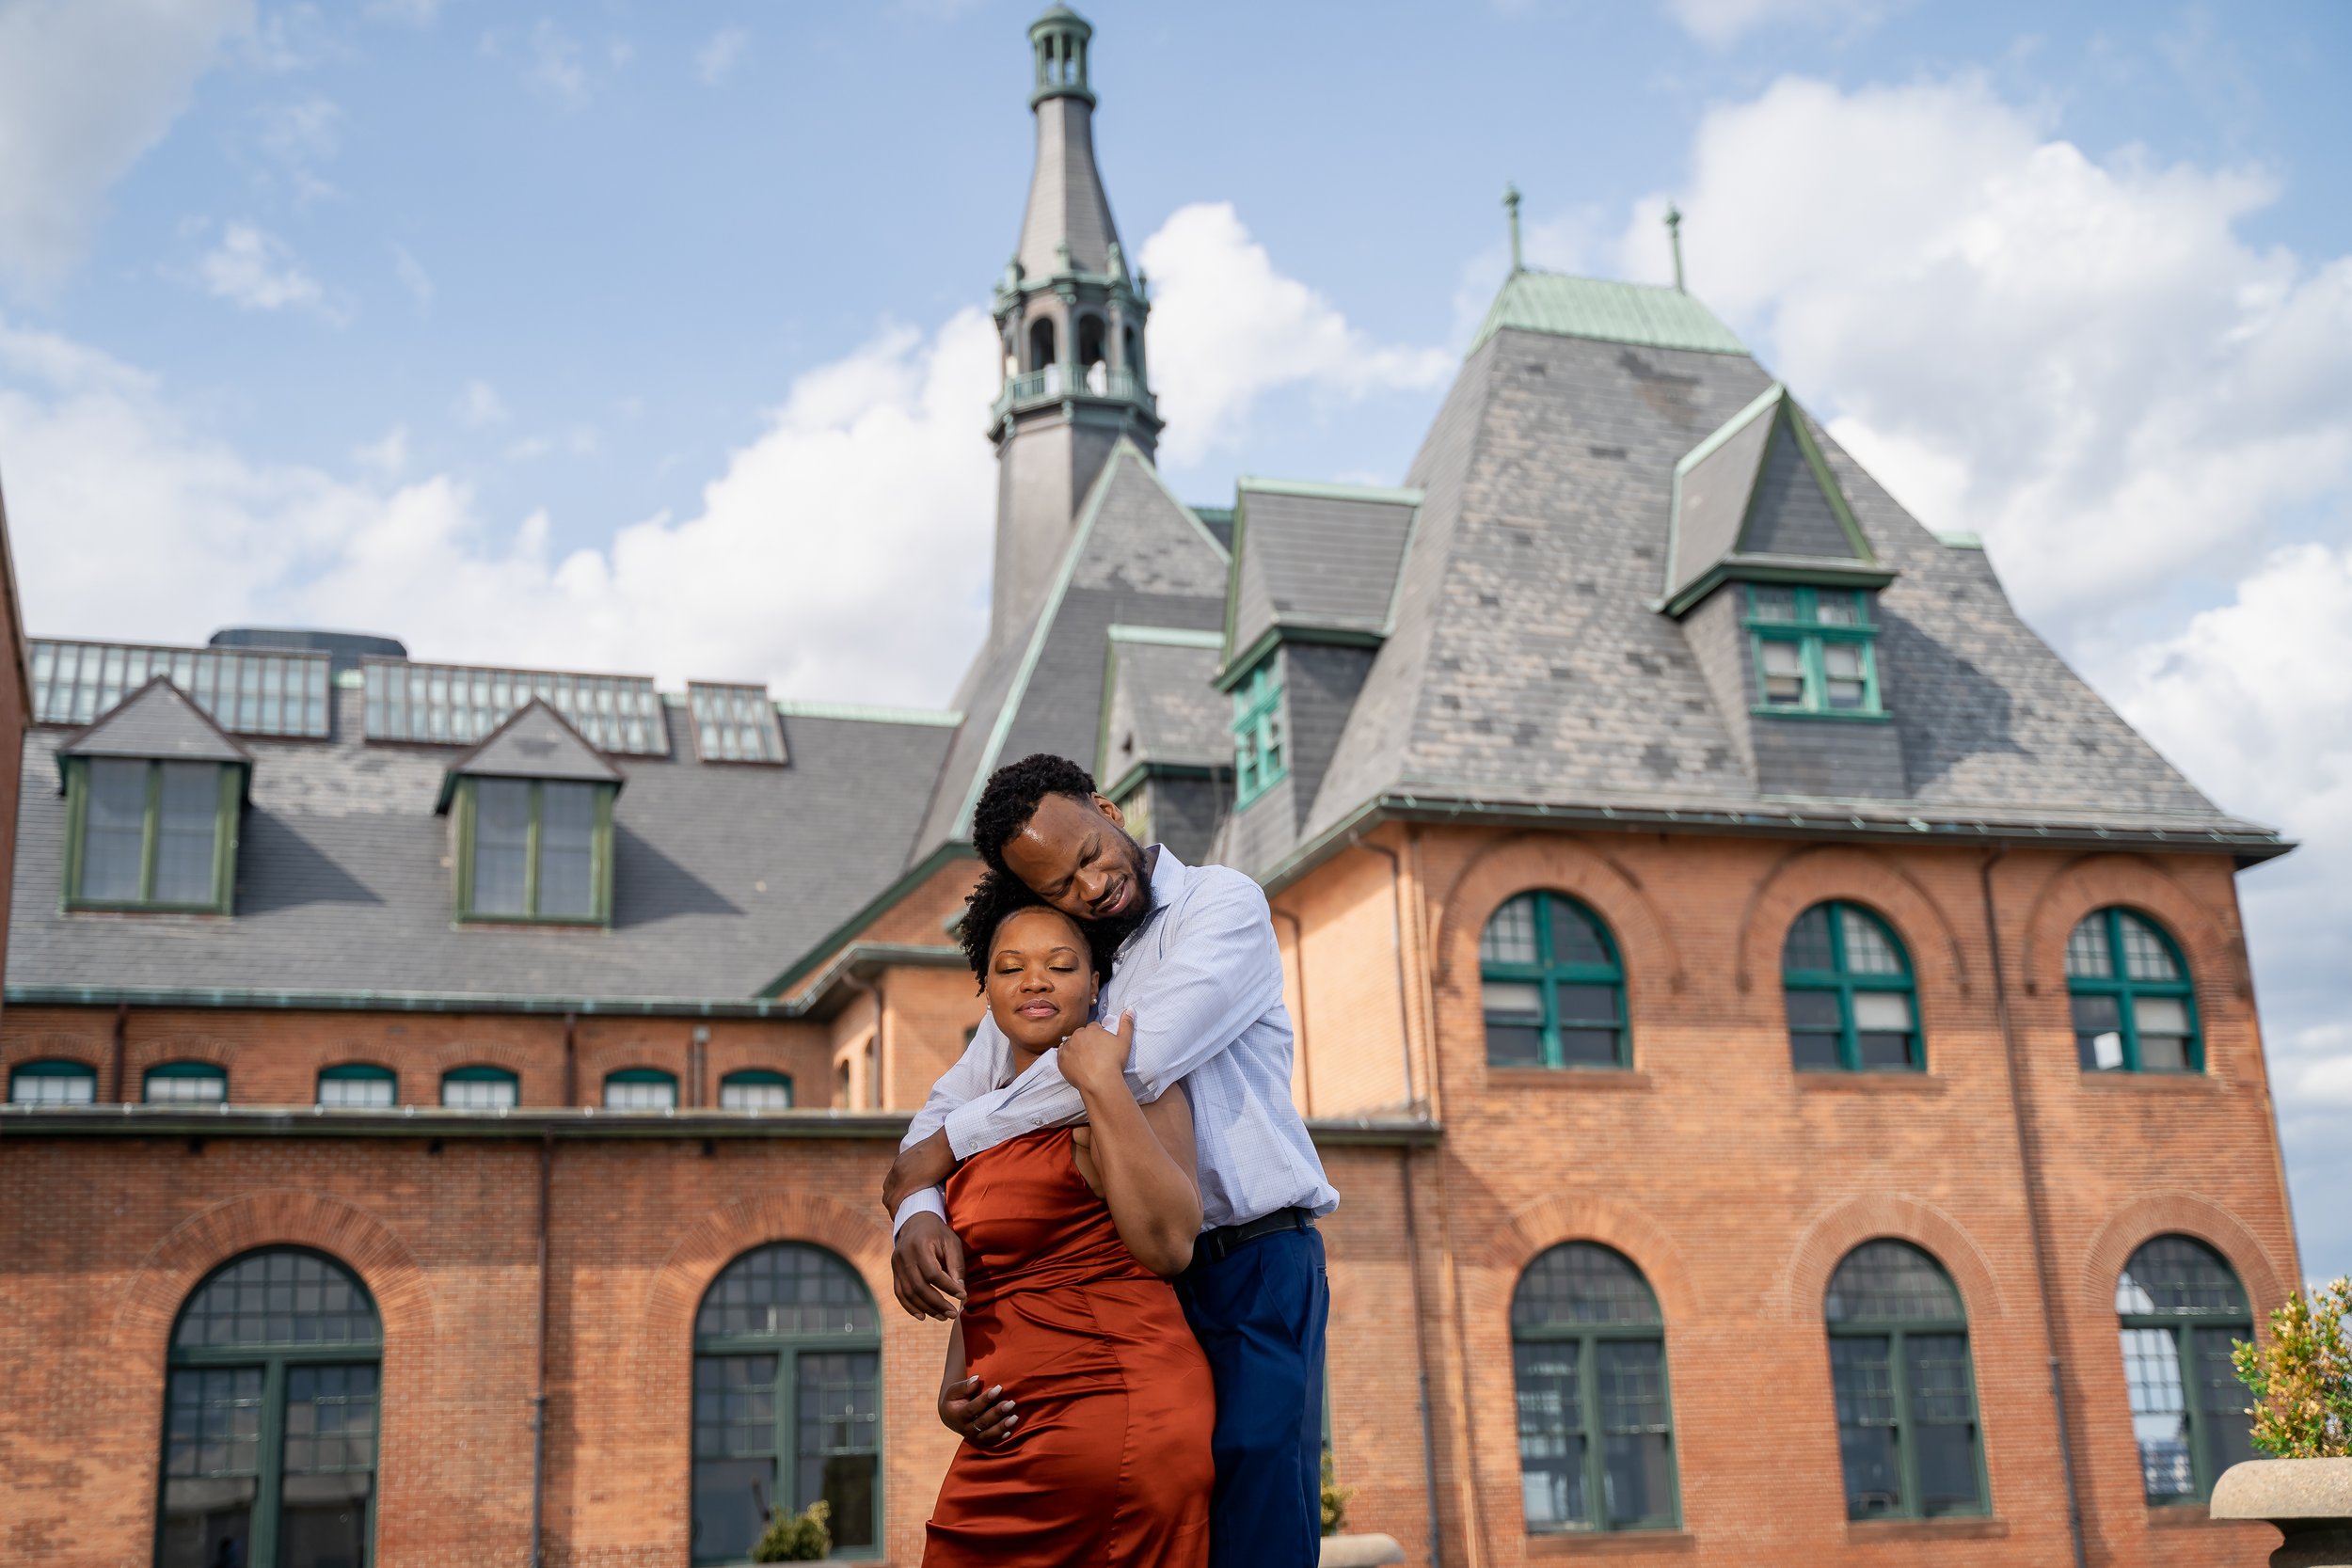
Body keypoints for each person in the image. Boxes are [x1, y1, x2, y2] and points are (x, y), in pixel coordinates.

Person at [885, 753, 1338, 1568]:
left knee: (1257, 1522)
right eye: (1059, 885)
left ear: (1109, 808)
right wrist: (918, 1206)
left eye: (1089, 854)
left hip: (1252, 1260)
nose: (1089, 888)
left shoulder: (1221, 905)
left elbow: (1134, 1065)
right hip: (1133, 1289)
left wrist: (944, 1153)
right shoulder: (1069, 959)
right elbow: (948, 1097)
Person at [921, 871, 1212, 1565]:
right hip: (1008, 1433)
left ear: (1095, 980)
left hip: (1117, 1411)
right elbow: (993, 1271)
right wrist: (949, 1394)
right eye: (1010, 967)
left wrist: (1102, 1080)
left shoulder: (1137, 1083)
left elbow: (1171, 1245)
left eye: (1061, 964)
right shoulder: (972, 1118)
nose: (1035, 981)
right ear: (985, 990)